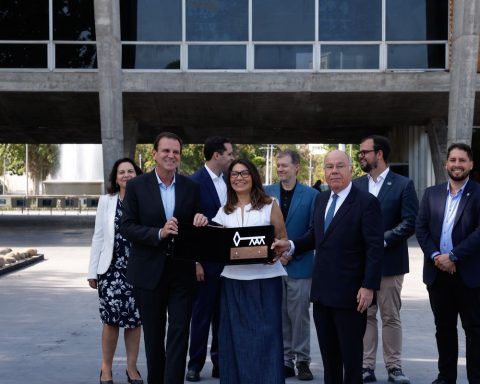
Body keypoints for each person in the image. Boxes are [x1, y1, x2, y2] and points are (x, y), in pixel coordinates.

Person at [273, 150, 384, 384]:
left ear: (350, 170)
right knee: (329, 360)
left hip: (352, 295)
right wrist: (291, 244)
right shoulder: (321, 199)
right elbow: (316, 234)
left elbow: (374, 249)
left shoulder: (366, 202)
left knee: (351, 361)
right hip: (322, 293)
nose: (334, 171)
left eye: (339, 166)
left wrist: (368, 286)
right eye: (329, 166)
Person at [120, 132, 208, 384]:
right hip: (148, 272)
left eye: (176, 152)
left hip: (182, 271)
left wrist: (200, 221)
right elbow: (127, 226)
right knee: (154, 336)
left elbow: (195, 225)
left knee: (180, 332)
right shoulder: (137, 186)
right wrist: (159, 232)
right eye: (166, 151)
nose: (171, 156)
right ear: (154, 154)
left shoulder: (192, 187)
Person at [212, 159, 288, 384]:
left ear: (253, 176)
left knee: (267, 339)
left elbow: (282, 238)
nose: (239, 178)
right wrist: (200, 223)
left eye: (244, 173)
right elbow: (213, 244)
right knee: (234, 339)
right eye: (234, 174)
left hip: (266, 282)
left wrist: (274, 253)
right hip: (233, 282)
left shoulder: (269, 204)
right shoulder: (223, 211)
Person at [354, 135, 418, 384]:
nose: (361, 156)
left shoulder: (403, 184)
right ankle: (366, 367)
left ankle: (394, 367)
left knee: (390, 315)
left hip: (390, 262)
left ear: (379, 154)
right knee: (365, 314)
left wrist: (382, 239)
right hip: (361, 263)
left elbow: (410, 221)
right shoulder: (357, 185)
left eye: (364, 152)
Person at [416, 142, 480, 384]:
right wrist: (436, 257)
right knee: (443, 329)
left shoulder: (478, 194)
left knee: (474, 331)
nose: (457, 165)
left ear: (470, 165)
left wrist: (453, 256)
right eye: (453, 160)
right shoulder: (431, 194)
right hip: (437, 274)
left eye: (462, 160)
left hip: (469, 275)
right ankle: (446, 377)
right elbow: (421, 229)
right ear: (446, 164)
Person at [87, 157, 144, 384]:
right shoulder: (106, 201)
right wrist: (93, 271)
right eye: (122, 172)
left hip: (139, 270)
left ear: (138, 175)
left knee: (135, 321)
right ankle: (106, 368)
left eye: (131, 171)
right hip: (110, 270)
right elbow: (99, 237)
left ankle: (132, 368)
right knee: (110, 321)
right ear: (116, 178)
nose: (126, 175)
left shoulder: (145, 200)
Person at [264, 150, 319, 381]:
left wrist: (290, 252)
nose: (281, 169)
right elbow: (262, 226)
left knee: (299, 316)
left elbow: (313, 231)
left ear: (297, 167)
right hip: (273, 265)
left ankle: (303, 360)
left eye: (285, 165)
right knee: (280, 314)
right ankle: (285, 360)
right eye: (278, 165)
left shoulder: (312, 195)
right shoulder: (267, 193)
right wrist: (276, 253)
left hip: (300, 264)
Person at [186, 136, 234, 382]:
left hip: (230, 261)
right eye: (229, 154)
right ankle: (194, 364)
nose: (232, 158)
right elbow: (188, 225)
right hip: (204, 262)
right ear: (217, 155)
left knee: (223, 317)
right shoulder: (193, 182)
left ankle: (219, 362)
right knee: (201, 315)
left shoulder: (231, 181)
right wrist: (195, 261)